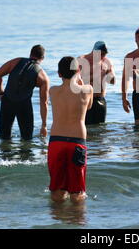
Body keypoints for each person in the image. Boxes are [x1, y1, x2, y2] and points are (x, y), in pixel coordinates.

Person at [47, 56, 93, 203]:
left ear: (59, 73)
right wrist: (80, 80)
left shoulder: (53, 91)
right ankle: (76, 219)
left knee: (57, 189)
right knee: (77, 191)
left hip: (56, 141)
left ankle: (57, 219)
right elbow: (89, 106)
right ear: (78, 71)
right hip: (76, 141)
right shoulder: (87, 90)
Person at [0, 44, 49, 140]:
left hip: (7, 102)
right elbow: (44, 102)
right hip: (24, 106)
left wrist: (1, 93)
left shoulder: (16, 62)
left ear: (30, 54)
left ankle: (5, 154)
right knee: (27, 139)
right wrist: (44, 125)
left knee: (4, 137)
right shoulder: (43, 77)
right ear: (43, 58)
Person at [78, 41, 115, 125]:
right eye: (101, 54)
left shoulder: (107, 62)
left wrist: (109, 74)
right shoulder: (81, 60)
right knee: (86, 127)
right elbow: (74, 81)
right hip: (85, 99)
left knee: (100, 129)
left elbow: (113, 82)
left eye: (105, 54)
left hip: (100, 99)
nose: (103, 57)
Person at [122, 27, 139, 124]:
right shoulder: (130, 56)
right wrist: (124, 98)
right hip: (138, 94)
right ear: (135, 40)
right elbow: (125, 79)